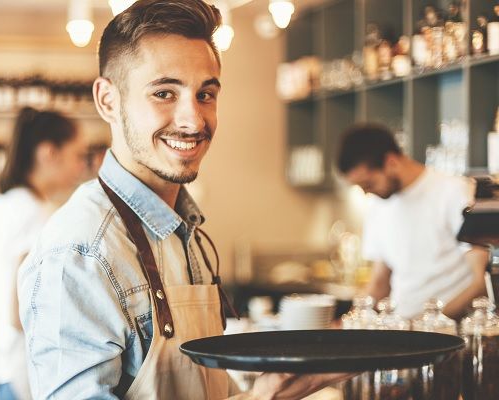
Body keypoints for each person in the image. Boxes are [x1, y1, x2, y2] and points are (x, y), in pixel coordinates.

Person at [18, 1, 348, 399]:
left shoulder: (181, 230)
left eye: (205, 94)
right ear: (108, 100)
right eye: (164, 93)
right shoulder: (79, 254)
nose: (193, 120)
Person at [0, 107, 88, 400]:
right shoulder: (36, 214)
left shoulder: (1, 204)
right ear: (49, 153)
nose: (81, 168)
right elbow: (20, 311)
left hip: (1, 368)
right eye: (78, 156)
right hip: (24, 375)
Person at [337, 123, 488, 319]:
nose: (366, 192)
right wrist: (349, 324)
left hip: (449, 333)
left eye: (368, 183)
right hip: (402, 330)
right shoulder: (378, 205)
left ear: (391, 162)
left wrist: (434, 326)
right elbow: (379, 284)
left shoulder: (453, 192)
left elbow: (480, 282)